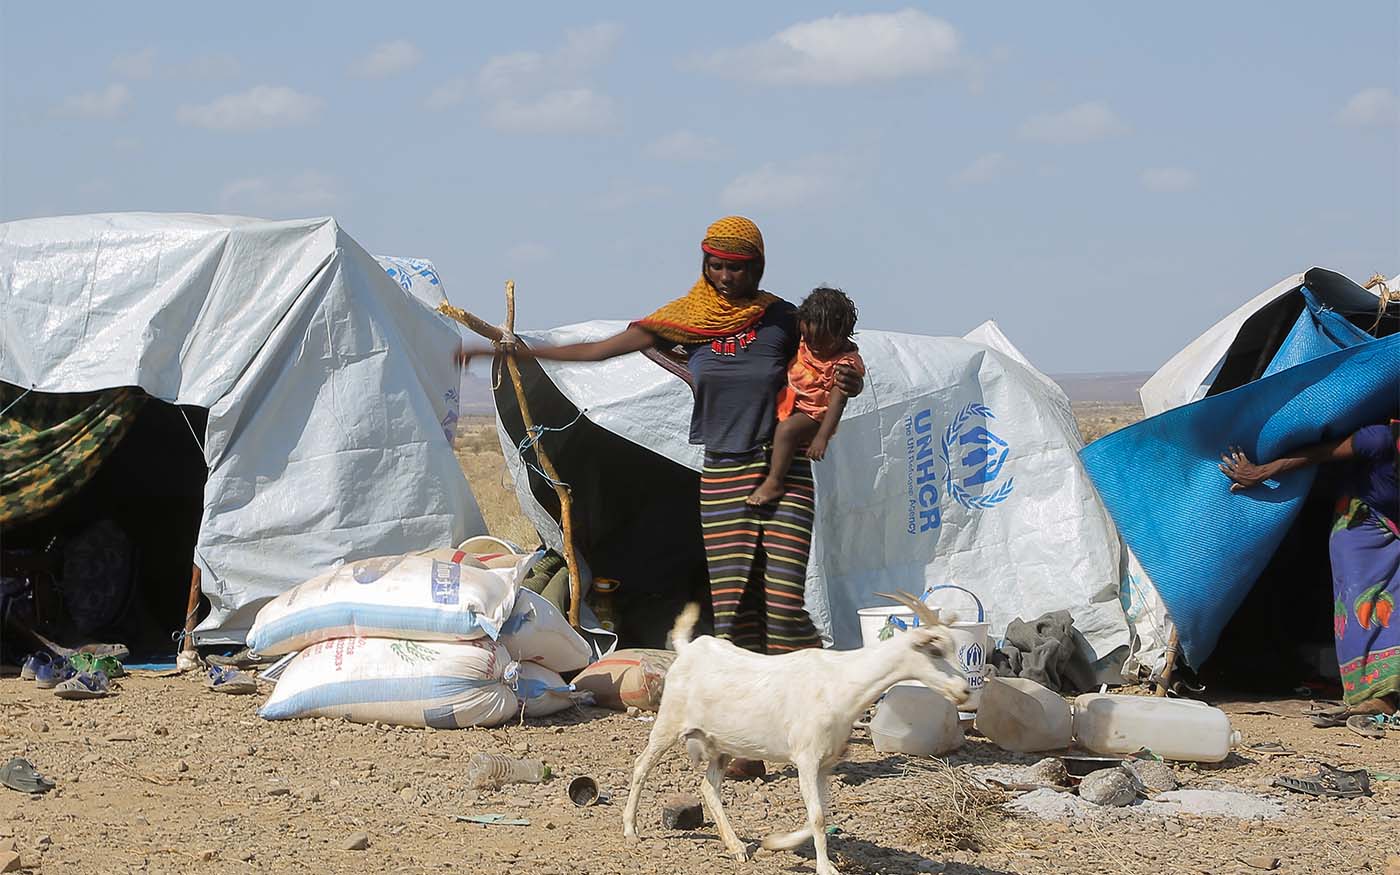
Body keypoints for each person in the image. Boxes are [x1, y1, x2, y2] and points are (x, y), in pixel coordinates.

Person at [456, 216, 862, 659]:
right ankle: (757, 705)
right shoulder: (686, 320)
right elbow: (596, 351)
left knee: (783, 603)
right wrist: (505, 349)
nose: (727, 277)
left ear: (758, 266)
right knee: (733, 612)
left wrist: (851, 381)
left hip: (784, 474)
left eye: (740, 267)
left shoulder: (780, 319)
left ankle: (819, 680)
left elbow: (834, 353)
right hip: (724, 474)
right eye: (717, 265)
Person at [1220, 421, 1399, 719]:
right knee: (1362, 603)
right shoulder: (1378, 439)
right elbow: (1320, 454)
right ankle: (1375, 694)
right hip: (1361, 522)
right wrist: (1260, 472)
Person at [747, 286, 864, 506]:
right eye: (809, 340)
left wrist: (822, 436)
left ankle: (774, 482)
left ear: (841, 335)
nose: (814, 347)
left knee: (786, 430)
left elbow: (838, 401)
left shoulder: (843, 364)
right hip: (791, 399)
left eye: (822, 343)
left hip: (815, 414)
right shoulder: (808, 336)